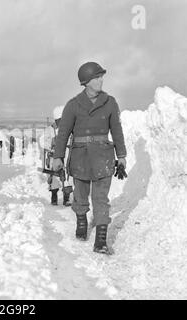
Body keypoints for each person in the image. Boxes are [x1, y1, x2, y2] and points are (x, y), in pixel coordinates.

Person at [52, 62, 127, 254]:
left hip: (103, 156)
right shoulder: (73, 105)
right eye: (97, 77)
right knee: (80, 194)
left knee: (101, 198)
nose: (101, 80)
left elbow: (117, 131)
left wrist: (122, 156)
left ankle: (101, 240)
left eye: (101, 77)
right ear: (86, 82)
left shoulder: (110, 102)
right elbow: (63, 134)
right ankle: (82, 223)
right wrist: (58, 156)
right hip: (80, 157)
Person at [45, 106, 73, 206]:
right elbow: (44, 142)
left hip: (66, 155)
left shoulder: (70, 128)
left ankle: (66, 198)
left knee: (66, 178)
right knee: (54, 179)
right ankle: (54, 197)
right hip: (54, 157)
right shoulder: (50, 130)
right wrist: (51, 145)